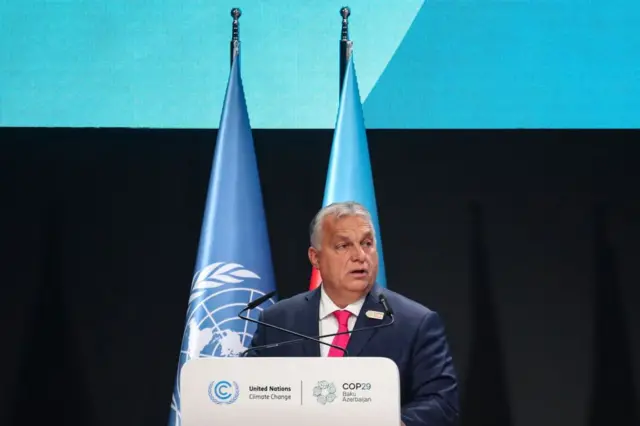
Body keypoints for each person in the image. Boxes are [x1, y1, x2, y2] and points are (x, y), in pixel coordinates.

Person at [247, 201, 459, 426]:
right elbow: (248, 394)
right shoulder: (277, 321)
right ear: (315, 257)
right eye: (343, 246)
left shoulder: (415, 323)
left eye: (367, 243)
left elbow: (442, 403)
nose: (360, 256)